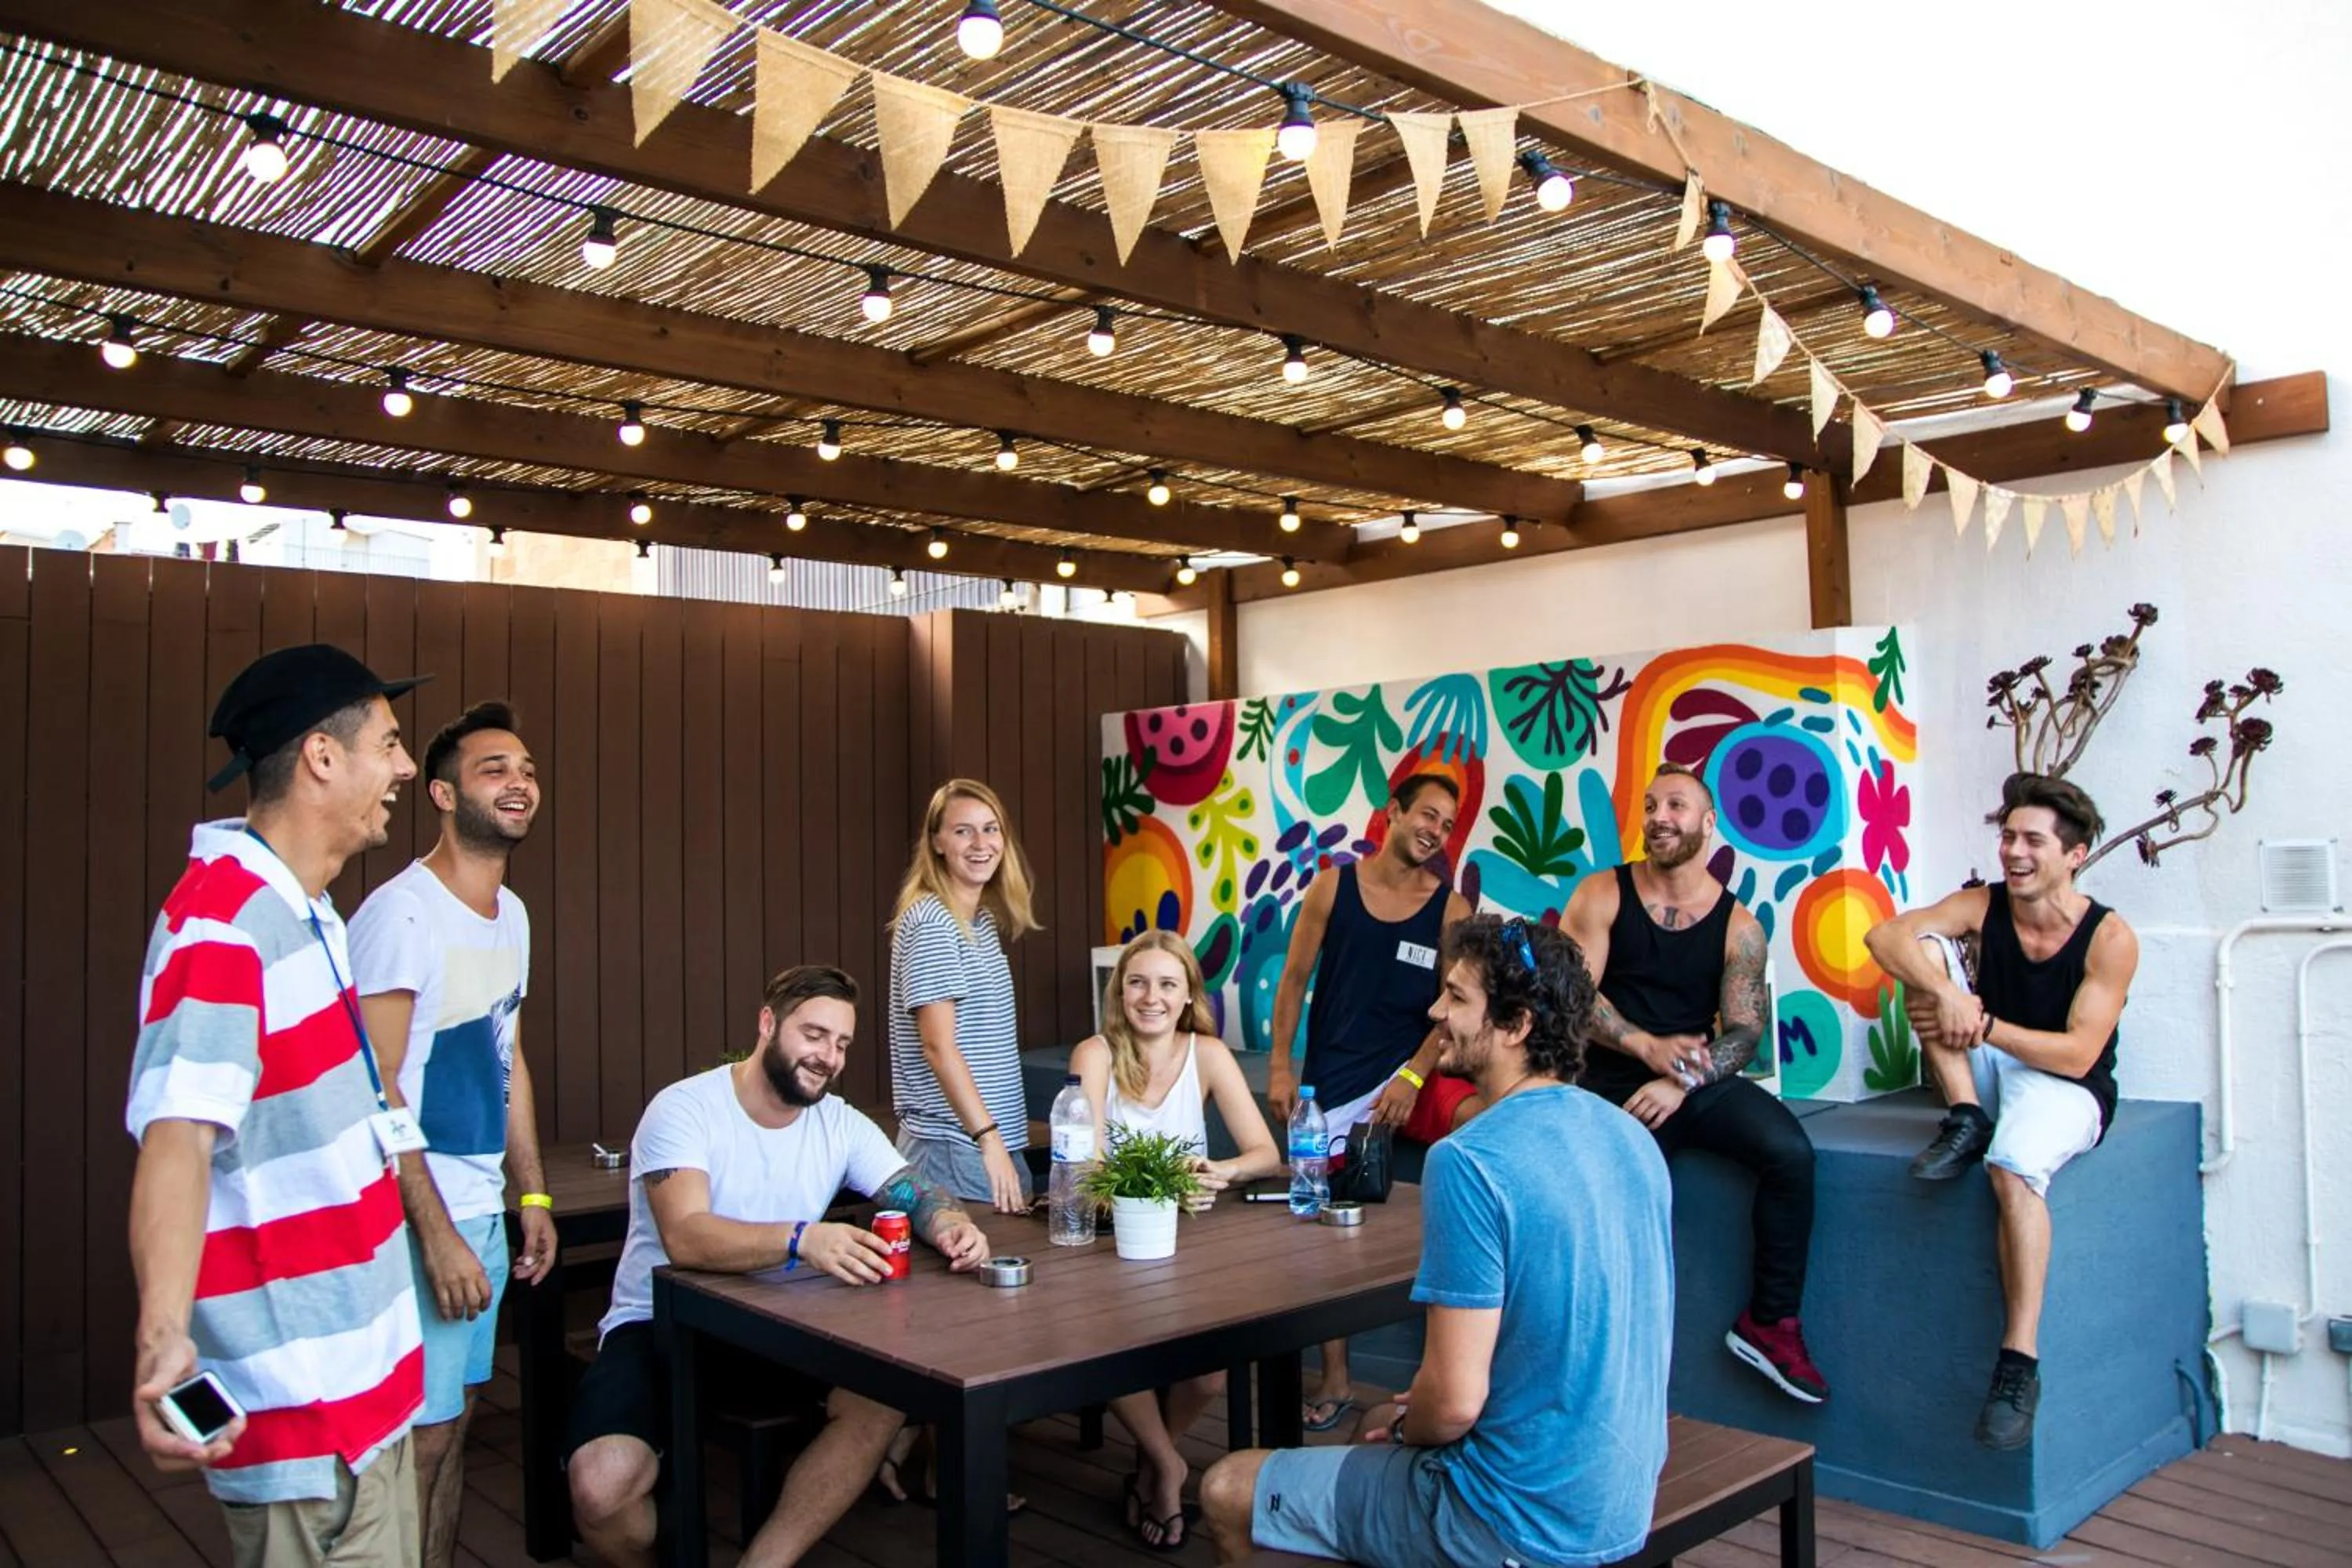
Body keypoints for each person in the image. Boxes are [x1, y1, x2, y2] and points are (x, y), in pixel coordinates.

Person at [1200, 914, 1672, 1568]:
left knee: (1230, 1490)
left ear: (1516, 1026)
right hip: (1619, 1504)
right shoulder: (1634, 1139)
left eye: (1456, 997)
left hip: (1507, 1520)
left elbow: (1451, 1406)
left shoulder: (1470, 1159)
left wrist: (1411, 1423)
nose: (1435, 1010)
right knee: (1377, 1430)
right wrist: (1418, 1416)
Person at [125, 642, 429, 1566]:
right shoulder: (224, 921)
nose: (406, 768)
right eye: (389, 742)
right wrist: (163, 1340)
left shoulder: (302, 907)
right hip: (306, 1419)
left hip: (364, 1402)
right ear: (321, 757)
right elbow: (177, 1137)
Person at [564, 965, 990, 1567]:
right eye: (814, 1035)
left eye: (841, 1043)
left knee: (885, 1394)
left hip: (783, 1328)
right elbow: (687, 1237)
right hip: (660, 1327)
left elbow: (911, 1190)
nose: (828, 1057)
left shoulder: (838, 1123)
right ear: (768, 1024)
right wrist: (802, 1240)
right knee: (600, 1487)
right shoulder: (685, 1108)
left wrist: (950, 1224)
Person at [1864, 771, 2137, 1450]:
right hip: (1988, 1070)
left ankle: (2019, 1363)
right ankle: (1964, 1115)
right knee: (1922, 958)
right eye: (2009, 836)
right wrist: (1947, 993)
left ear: (2074, 855)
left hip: (2065, 1087)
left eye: (2033, 841)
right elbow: (1884, 937)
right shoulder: (1984, 905)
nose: (2014, 851)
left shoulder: (2109, 938)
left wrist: (1981, 1026)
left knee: (2012, 1171)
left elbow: (2077, 1055)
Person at [349, 700, 552, 1568]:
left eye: (528, 768)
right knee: (413, 1444)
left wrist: (531, 1191)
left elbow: (507, 1055)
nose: (520, 782)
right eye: (494, 767)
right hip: (413, 1226)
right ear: (439, 792)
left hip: (478, 1216)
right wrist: (434, 1235)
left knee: (454, 1426)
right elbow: (375, 1087)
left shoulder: (512, 913)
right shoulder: (401, 916)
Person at [1563, 762, 1828, 1403]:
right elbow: (1571, 996)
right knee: (1622, 1199)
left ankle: (1769, 1324)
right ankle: (1596, 1363)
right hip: (1610, 1079)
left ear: (1708, 824)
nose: (1659, 816)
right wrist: (1644, 1046)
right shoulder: (1602, 895)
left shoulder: (1741, 927)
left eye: (1676, 806)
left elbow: (1743, 1033)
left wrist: (1684, 1080)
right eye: (1651, 804)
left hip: (1689, 1079)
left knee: (1791, 1154)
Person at [1267, 772, 1479, 1432]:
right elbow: (1295, 978)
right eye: (1428, 816)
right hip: (1333, 1083)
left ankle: (1467, 1367)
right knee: (1324, 1230)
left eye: (1448, 825)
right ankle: (1335, 1377)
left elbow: (1451, 1016)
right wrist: (1280, 1066)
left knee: (1488, 1126)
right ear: (1393, 812)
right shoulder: (1333, 886)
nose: (1436, 833)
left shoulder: (1451, 911)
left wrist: (1413, 1078)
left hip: (1412, 1079)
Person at [1069, 931, 1283, 1551]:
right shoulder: (1096, 1054)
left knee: (1211, 1373)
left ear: (1188, 994)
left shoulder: (1208, 1054)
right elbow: (1089, 1173)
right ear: (1120, 991)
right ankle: (1165, 1466)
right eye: (1138, 982)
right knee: (1099, 1345)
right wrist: (1154, 1192)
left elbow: (1263, 1153)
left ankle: (1148, 1459)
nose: (1151, 997)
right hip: (1110, 1241)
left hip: (1188, 1243)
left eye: (1167, 984)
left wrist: (1222, 1171)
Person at [886, 778, 1040, 1215]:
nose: (981, 843)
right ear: (936, 841)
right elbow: (938, 1047)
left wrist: (996, 1142)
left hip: (988, 1142)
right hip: (957, 1145)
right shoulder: (934, 923)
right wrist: (988, 1140)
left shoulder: (979, 922)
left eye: (991, 829)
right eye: (962, 831)